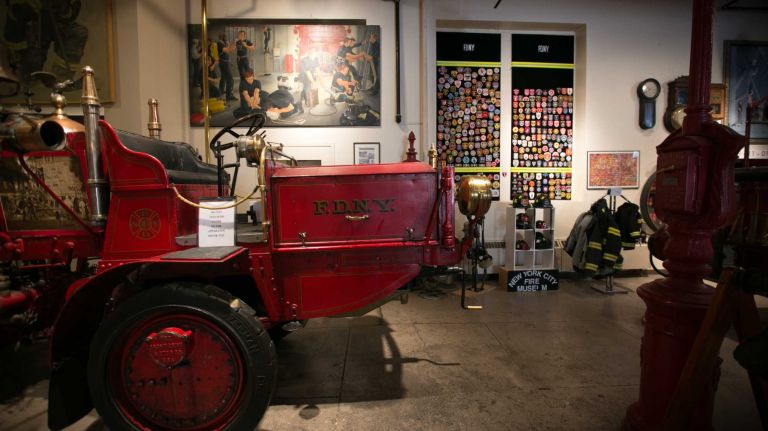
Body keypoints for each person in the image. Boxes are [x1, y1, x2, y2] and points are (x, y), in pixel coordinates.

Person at [217, 33, 236, 101]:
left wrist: (231, 45)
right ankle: (229, 96)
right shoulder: (220, 44)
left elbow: (230, 51)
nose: (226, 39)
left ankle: (221, 91)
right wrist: (231, 44)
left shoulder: (222, 44)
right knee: (230, 80)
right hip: (224, 63)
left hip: (224, 62)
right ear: (223, 38)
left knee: (223, 77)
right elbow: (228, 50)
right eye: (226, 38)